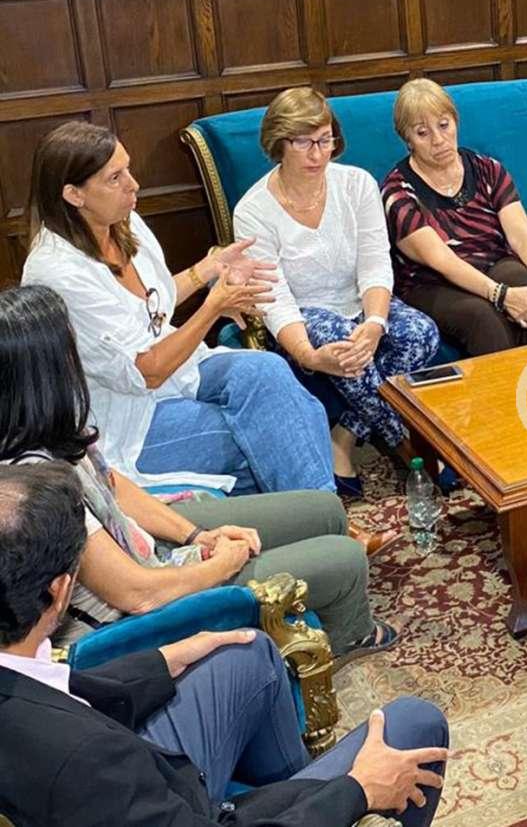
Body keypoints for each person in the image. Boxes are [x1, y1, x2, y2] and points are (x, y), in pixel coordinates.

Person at [0, 461, 449, 827]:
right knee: (414, 724)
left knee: (248, 653)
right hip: (182, 806)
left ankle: (302, 785)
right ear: (60, 590)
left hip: (144, 784)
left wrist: (159, 661)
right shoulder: (88, 760)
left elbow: (57, 692)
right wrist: (355, 791)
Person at [0, 284, 398, 660]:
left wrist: (197, 536)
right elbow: (138, 594)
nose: (78, 359)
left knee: (326, 511)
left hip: (150, 554)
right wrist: (221, 564)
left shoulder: (50, 428)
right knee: (347, 560)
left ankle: (310, 613)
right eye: (71, 348)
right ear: (46, 371)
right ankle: (342, 641)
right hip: (141, 616)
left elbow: (113, 486)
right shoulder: (32, 487)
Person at [22, 120, 334, 496]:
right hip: (124, 417)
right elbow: (146, 372)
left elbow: (154, 304)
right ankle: (320, 515)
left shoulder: (123, 222)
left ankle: (318, 512)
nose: (133, 185)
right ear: (74, 194)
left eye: (127, 169)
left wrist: (209, 269)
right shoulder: (57, 272)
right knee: (273, 426)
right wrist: (212, 308)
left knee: (272, 376)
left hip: (175, 372)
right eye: (115, 178)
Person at [233, 87, 441, 497]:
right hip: (302, 321)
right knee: (344, 343)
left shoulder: (356, 184)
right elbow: (276, 301)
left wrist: (376, 323)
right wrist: (308, 356)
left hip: (360, 306)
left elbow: (375, 263)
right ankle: (409, 445)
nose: (317, 154)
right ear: (279, 143)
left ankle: (343, 436)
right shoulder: (253, 210)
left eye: (325, 140)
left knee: (422, 333)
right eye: (303, 142)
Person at [382, 78, 527, 356]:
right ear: (407, 139)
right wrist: (502, 296)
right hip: (433, 283)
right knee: (483, 318)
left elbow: (521, 232)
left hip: (492, 263)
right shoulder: (397, 192)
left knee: (524, 282)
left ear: (455, 121)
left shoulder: (487, 169)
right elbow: (443, 261)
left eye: (444, 125)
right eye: (423, 133)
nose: (438, 140)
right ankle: (502, 385)